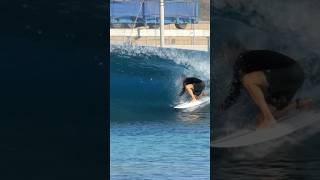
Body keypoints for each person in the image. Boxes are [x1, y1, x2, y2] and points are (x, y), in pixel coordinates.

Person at [220, 41, 312, 128]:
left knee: (247, 80)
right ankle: (299, 104)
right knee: (263, 117)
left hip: (290, 72)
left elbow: (235, 90)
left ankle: (269, 119)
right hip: (296, 76)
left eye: (226, 53)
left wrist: (222, 108)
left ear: (234, 50)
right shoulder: (251, 58)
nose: (225, 57)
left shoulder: (241, 58)